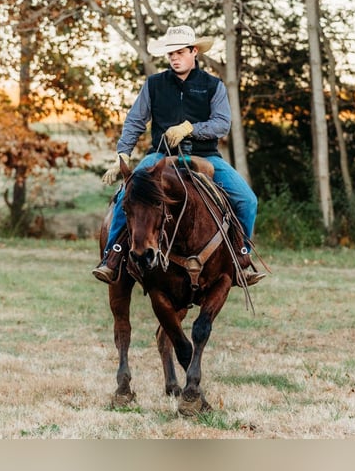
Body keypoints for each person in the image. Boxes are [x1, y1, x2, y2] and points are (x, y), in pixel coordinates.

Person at [93, 25, 265, 286]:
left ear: (194, 52)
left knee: (247, 200)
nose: (175, 58)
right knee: (128, 194)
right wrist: (124, 154)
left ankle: (241, 259)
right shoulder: (154, 84)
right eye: (171, 53)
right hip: (161, 156)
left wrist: (191, 128)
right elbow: (135, 121)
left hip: (206, 157)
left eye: (180, 52)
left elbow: (222, 124)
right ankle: (113, 256)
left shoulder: (212, 85)